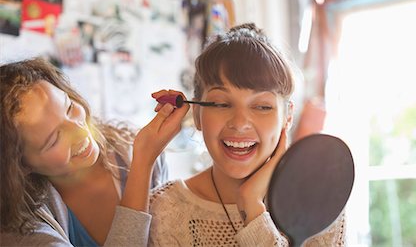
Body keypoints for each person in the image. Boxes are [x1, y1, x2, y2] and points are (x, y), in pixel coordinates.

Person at [148, 23, 346, 246]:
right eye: (221, 104)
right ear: (197, 115)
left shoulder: (319, 201)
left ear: (287, 116)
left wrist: (253, 207)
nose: (240, 123)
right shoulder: (166, 210)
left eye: (262, 106)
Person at [0, 57, 190, 246]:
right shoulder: (19, 227)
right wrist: (143, 162)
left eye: (69, 107)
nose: (81, 130)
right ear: (20, 166)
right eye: (54, 139)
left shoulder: (129, 153)